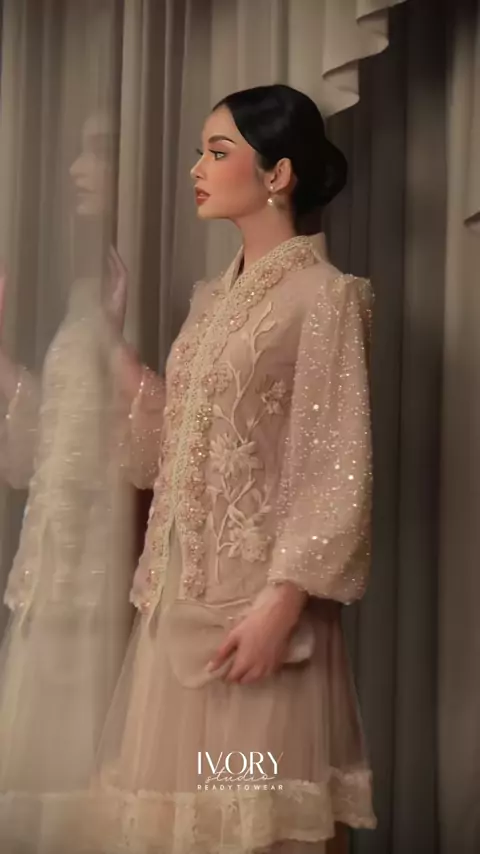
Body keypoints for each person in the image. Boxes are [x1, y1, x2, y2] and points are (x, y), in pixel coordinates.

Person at [75, 83, 376, 854]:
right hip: (177, 609)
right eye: (200, 153)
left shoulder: (326, 297)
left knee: (255, 823)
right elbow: (177, 443)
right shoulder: (211, 301)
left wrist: (281, 605)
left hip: (260, 614)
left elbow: (336, 461)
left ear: (278, 174)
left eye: (217, 153)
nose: (196, 169)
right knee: (182, 828)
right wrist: (112, 349)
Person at [0, 109, 133, 854]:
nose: (78, 170)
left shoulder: (139, 290)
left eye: (100, 152)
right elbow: (39, 454)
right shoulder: (91, 292)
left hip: (105, 582)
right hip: (57, 577)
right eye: (77, 153)